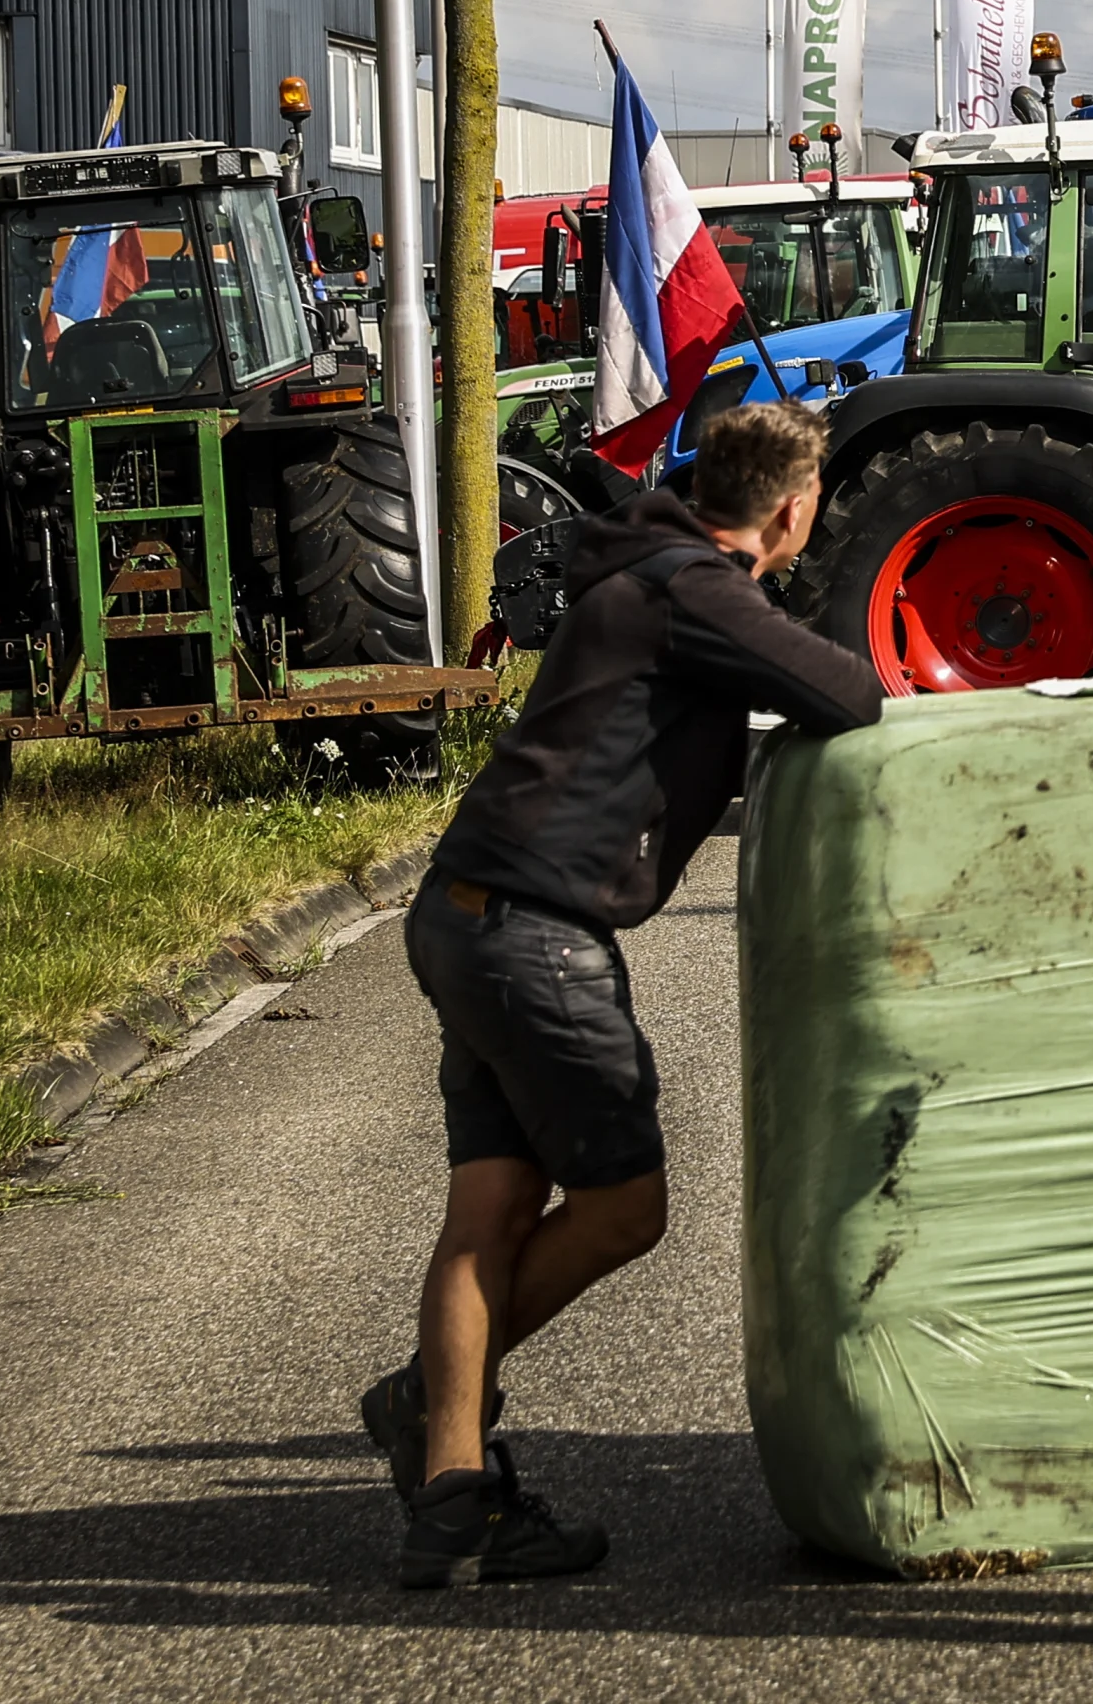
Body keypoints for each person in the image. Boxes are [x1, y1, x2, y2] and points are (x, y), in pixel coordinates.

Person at [368, 401, 883, 1585]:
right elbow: (849, 696)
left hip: (463, 908)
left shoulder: (640, 565)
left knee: (488, 1217)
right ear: (793, 509)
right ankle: (426, 1398)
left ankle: (451, 1496)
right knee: (624, 1208)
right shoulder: (693, 590)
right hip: (537, 936)